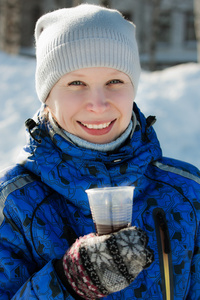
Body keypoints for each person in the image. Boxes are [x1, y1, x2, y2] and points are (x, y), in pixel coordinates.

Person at [0, 3, 200, 300]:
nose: (98, 103)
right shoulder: (14, 202)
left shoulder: (187, 190)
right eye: (76, 83)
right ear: (47, 95)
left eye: (114, 81)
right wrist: (70, 282)